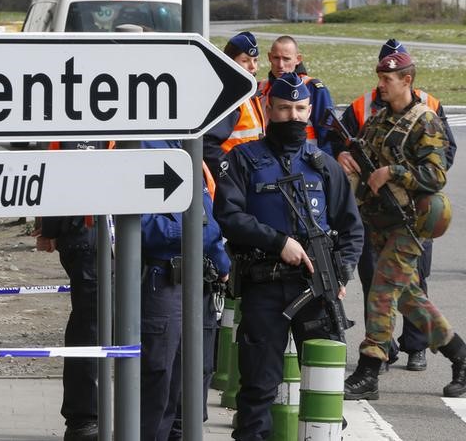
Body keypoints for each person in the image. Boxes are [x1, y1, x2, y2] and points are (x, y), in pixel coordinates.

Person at [212, 73, 364, 440]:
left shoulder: (323, 165)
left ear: (310, 110)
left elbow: (351, 228)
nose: (292, 116)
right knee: (259, 388)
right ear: (269, 109)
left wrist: (341, 271)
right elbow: (228, 217)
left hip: (315, 291)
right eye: (284, 108)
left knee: (324, 389)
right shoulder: (244, 160)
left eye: (299, 108)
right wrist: (279, 242)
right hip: (265, 286)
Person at [342, 52, 466, 401]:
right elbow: (363, 157)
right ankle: (461, 356)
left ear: (407, 80)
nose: (380, 85)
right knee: (408, 297)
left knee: (382, 290)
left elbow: (436, 174)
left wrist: (394, 173)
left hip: (411, 223)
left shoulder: (424, 121)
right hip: (381, 220)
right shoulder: (379, 120)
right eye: (379, 77)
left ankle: (369, 370)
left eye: (387, 79)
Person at [139, 139, 230, 441]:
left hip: (201, 280)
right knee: (159, 376)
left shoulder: (187, 146)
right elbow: (138, 227)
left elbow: (209, 220)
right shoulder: (143, 147)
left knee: (195, 375)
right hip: (165, 278)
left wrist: (221, 262)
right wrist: (191, 231)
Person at [35, 140, 114, 441]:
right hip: (90, 235)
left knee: (93, 324)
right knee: (91, 326)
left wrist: (50, 229)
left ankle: (87, 419)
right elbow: (56, 173)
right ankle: (84, 420)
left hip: (97, 234)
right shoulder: (78, 124)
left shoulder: (74, 119)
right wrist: (50, 228)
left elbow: (54, 171)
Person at [258, 36, 336, 156]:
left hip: (306, 162)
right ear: (269, 57)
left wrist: (325, 169)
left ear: (298, 59)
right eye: (276, 58)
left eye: (286, 59)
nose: (280, 65)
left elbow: (327, 137)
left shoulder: (313, 89)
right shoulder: (260, 89)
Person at [203, 31, 265, 175]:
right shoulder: (229, 98)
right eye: (245, 60)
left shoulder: (249, 94)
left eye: (255, 60)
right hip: (233, 182)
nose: (253, 67)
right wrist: (230, 171)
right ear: (229, 61)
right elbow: (207, 144)